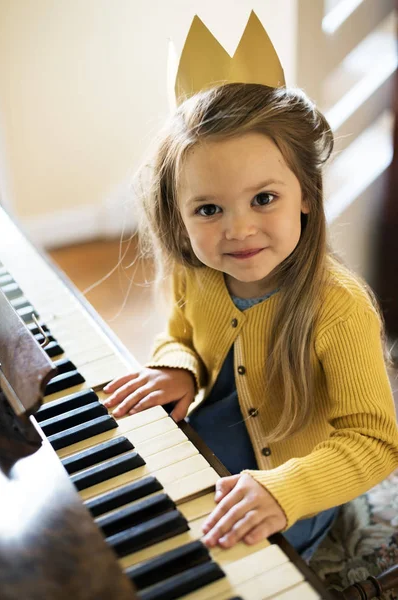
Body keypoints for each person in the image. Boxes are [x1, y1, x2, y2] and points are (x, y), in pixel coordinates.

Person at [103, 82, 398, 561]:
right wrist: (177, 366)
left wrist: (285, 492)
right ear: (179, 219)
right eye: (209, 209)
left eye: (263, 198)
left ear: (306, 194)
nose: (238, 230)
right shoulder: (198, 275)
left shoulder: (339, 308)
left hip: (292, 492)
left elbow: (375, 441)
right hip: (202, 448)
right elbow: (179, 335)